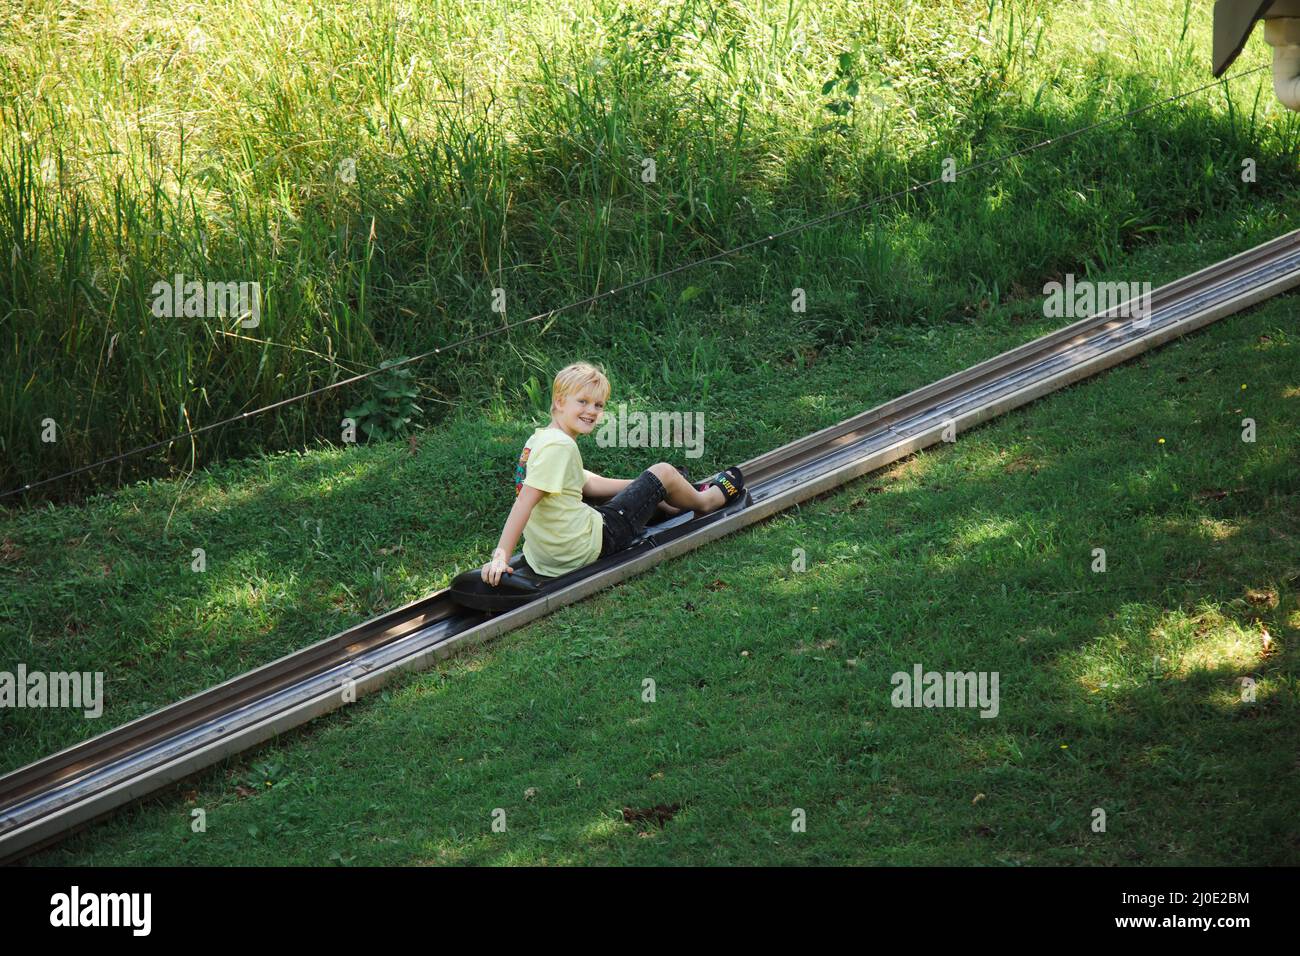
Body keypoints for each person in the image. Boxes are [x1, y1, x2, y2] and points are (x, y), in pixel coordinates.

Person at [480, 361, 744, 585]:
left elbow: (587, 483)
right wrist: (500, 556)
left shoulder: (540, 440)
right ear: (560, 402)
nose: (591, 411)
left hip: (549, 558)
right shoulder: (560, 447)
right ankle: (706, 500)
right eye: (582, 401)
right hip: (591, 544)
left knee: (653, 482)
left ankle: (668, 499)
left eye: (598, 405)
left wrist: (646, 486)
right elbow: (525, 501)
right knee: (664, 470)